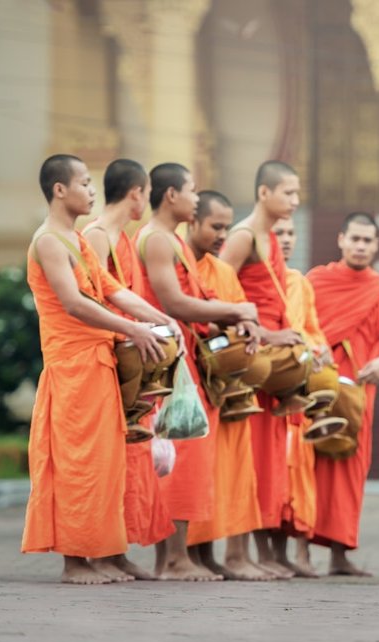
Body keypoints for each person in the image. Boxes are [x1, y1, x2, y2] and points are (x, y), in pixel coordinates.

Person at [21, 154, 174, 584]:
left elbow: (113, 290)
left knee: (107, 464)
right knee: (78, 463)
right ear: (59, 190)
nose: (92, 190)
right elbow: (73, 302)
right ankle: (75, 561)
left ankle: (107, 552)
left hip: (99, 362)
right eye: (85, 182)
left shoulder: (78, 239)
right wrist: (132, 329)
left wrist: (162, 322)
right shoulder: (49, 241)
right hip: (72, 367)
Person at [135, 163, 259, 581]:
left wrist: (231, 323)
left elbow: (193, 303)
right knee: (178, 457)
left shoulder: (172, 241)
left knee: (184, 458)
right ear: (171, 195)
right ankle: (172, 560)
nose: (194, 197)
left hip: (184, 360)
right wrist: (235, 309)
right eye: (190, 190)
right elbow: (174, 303)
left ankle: (173, 557)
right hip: (169, 365)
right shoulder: (156, 239)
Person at [82, 158, 177, 581]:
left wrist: (159, 323)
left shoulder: (121, 237)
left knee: (130, 463)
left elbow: (122, 294)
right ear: (137, 192)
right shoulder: (97, 236)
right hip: (102, 358)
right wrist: (135, 330)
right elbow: (94, 300)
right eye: (146, 193)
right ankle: (96, 554)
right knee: (103, 463)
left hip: (127, 357)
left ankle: (117, 551)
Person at [220, 160, 306, 579]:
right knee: (243, 460)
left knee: (265, 463)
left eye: (296, 193)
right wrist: (267, 337)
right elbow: (217, 293)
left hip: (271, 366)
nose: (295, 200)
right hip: (249, 360)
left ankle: (250, 552)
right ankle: (234, 554)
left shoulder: (269, 238)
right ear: (263, 193)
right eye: (288, 192)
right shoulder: (241, 236)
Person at [183, 190, 274, 581]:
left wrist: (249, 329)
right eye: (216, 226)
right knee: (196, 470)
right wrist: (228, 320)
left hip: (229, 386)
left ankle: (227, 555)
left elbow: (239, 309)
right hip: (193, 380)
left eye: (226, 226)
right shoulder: (179, 262)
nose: (223, 234)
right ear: (192, 222)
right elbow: (179, 309)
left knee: (235, 472)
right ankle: (195, 555)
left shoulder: (220, 270)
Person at [306, 212, 379, 576]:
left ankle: (339, 554)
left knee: (351, 467)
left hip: (360, 390)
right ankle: (300, 551)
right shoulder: (317, 281)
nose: (361, 246)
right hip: (320, 385)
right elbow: (302, 326)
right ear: (341, 240)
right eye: (355, 239)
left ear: (376, 245)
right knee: (310, 462)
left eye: (368, 241)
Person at [271, 215, 329, 578]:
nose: (287, 239)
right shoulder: (255, 277)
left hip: (301, 390)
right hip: (273, 388)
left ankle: (302, 554)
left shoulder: (299, 283)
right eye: (279, 233)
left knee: (303, 474)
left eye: (292, 233)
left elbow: (312, 328)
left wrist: (319, 348)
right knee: (275, 473)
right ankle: (273, 553)